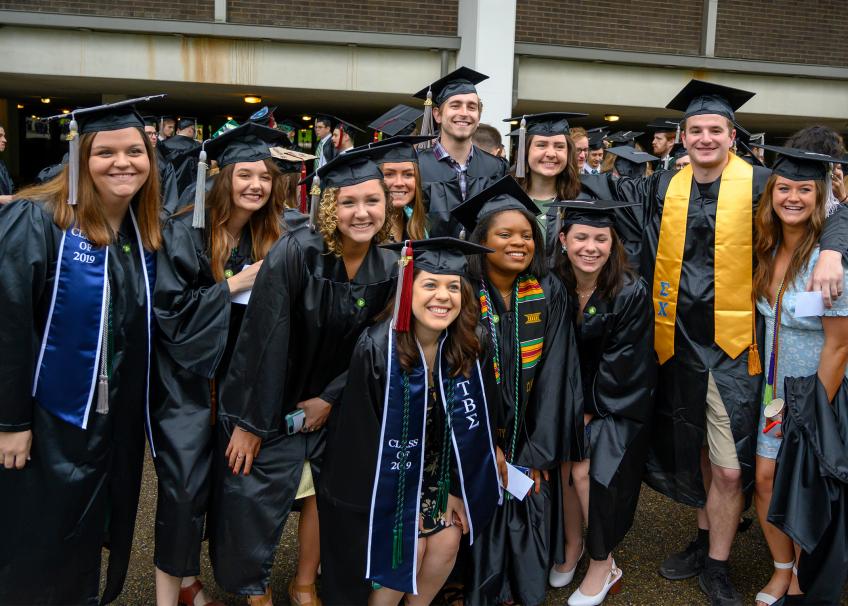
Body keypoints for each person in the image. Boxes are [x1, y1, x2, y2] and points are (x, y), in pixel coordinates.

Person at [608, 79, 848, 606]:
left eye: (715, 129)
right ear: (682, 136)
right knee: (692, 450)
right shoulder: (660, 186)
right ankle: (704, 540)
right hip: (674, 343)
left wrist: (833, 247)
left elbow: (823, 205)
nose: (705, 137)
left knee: (730, 465)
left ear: (732, 135)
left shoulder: (764, 181)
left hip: (738, 347)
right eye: (695, 129)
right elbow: (611, 221)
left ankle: (719, 563)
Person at [210, 144, 401, 606]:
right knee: (256, 491)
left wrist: (331, 399)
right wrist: (252, 424)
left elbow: (379, 347)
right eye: (349, 202)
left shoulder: (393, 266)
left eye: (372, 201)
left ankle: (304, 582)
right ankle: (255, 589)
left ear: (387, 205)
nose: (362, 212)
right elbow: (264, 338)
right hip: (275, 398)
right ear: (330, 205)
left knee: (324, 495)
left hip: (342, 401)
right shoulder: (297, 252)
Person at [0, 100, 161, 605]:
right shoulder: (36, 220)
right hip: (48, 418)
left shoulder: (141, 234)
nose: (123, 162)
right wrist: (10, 422)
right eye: (105, 151)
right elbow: (8, 324)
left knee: (88, 535)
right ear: (79, 158)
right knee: (39, 541)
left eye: (135, 151)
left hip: (109, 423)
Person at [319, 237, 504, 605]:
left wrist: (454, 488)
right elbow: (360, 444)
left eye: (453, 286)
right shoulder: (377, 349)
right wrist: (398, 510)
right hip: (378, 488)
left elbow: (473, 427)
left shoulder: (470, 344)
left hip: (434, 475)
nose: (443, 296)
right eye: (430, 285)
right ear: (407, 290)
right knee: (407, 551)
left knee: (449, 539)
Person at [150, 122, 290, 606]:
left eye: (265, 177)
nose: (255, 185)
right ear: (222, 177)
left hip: (239, 382)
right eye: (245, 174)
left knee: (232, 489)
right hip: (185, 384)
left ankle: (202, 581)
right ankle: (170, 594)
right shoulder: (183, 229)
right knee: (183, 489)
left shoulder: (272, 235)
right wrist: (233, 285)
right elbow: (169, 313)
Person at [452, 176, 583, 606]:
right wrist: (488, 444)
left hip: (528, 436)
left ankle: (517, 589)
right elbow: (458, 375)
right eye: (504, 234)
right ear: (481, 240)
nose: (518, 243)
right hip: (476, 435)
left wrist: (536, 450)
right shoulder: (462, 294)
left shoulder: (549, 292)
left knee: (529, 492)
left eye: (526, 235)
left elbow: (557, 372)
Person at [748, 145, 848, 606]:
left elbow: (839, 344)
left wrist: (812, 415)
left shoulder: (829, 262)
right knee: (766, 478)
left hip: (814, 393)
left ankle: (805, 575)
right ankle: (780, 569)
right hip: (774, 390)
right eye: (783, 188)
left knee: (805, 485)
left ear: (819, 195)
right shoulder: (764, 248)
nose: (792, 197)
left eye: (804, 189)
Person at [548, 199, 656, 606]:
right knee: (560, 464)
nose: (590, 247)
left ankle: (603, 562)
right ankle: (573, 545)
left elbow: (624, 364)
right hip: (566, 399)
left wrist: (586, 411)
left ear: (613, 244)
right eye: (580, 237)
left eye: (600, 238)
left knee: (584, 470)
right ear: (563, 239)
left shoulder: (629, 291)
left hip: (616, 403)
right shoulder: (552, 283)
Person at [413, 66, 508, 238]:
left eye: (472, 107)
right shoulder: (416, 166)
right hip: (430, 262)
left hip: (480, 262)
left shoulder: (496, 168)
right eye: (455, 106)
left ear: (478, 117)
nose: (464, 113)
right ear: (437, 115)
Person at [504, 112, 583, 257]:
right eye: (541, 145)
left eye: (559, 147)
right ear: (525, 152)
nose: (551, 153)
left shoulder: (581, 202)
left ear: (568, 153)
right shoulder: (506, 200)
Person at [369, 135, 431, 242]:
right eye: (389, 174)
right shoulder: (366, 230)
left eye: (408, 174)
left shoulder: (419, 227)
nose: (399, 183)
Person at [159, 117, 202, 195]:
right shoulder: (197, 145)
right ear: (190, 130)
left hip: (169, 187)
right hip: (191, 189)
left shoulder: (164, 143)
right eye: (194, 130)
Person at [0, 123, 14, 203]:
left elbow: (10, 189)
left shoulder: (1, 164)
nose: (5, 140)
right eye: (0, 136)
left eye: (4, 136)